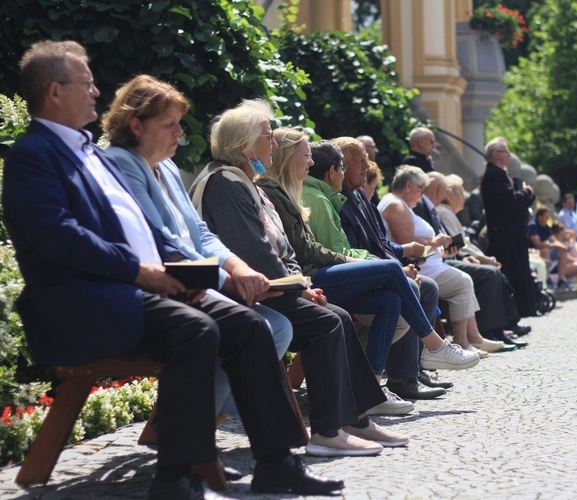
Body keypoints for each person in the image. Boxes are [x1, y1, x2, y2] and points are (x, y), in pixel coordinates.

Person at [3, 41, 341, 497]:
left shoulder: (91, 154)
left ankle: (277, 462)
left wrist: (182, 272)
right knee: (197, 330)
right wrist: (142, 272)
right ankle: (177, 479)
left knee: (249, 325)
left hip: (138, 289)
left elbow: (147, 229)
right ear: (55, 91)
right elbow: (59, 236)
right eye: (86, 83)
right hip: (83, 302)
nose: (96, 90)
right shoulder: (33, 155)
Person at [188, 99, 417, 457]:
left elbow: (284, 248)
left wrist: (302, 284)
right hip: (248, 292)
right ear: (245, 145)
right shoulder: (225, 184)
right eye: (267, 137)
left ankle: (356, 419)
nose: (273, 145)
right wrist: (300, 288)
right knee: (327, 322)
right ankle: (327, 431)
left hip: (275, 285)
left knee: (337, 316)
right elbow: (254, 252)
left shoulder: (248, 182)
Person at [102, 75, 294, 423]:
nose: (180, 133)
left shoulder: (169, 168)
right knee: (262, 328)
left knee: (278, 326)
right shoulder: (120, 163)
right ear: (136, 125)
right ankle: (198, 434)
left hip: (196, 279)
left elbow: (200, 234)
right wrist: (226, 279)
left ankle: (194, 429)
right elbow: (159, 239)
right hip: (162, 286)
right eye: (169, 124)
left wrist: (239, 268)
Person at [258, 129, 477, 406]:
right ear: (289, 158)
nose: (311, 163)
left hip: (311, 274)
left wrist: (372, 260)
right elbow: (309, 252)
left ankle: (373, 391)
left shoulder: (302, 192)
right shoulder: (303, 195)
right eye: (305, 156)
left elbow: (323, 248)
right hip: (307, 278)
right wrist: (362, 262)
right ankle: (433, 346)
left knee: (389, 299)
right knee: (393, 272)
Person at [334, 138, 454, 399]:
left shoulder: (359, 197)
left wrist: (402, 258)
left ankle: (411, 372)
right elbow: (350, 249)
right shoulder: (340, 200)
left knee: (426, 286)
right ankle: (403, 375)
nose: (367, 166)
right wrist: (397, 268)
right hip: (350, 276)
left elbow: (379, 244)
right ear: (339, 167)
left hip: (372, 268)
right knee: (407, 289)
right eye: (360, 161)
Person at [379, 166, 503, 355]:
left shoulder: (401, 204)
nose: (422, 194)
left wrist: (441, 249)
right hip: (420, 268)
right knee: (463, 282)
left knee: (464, 279)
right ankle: (463, 341)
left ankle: (472, 337)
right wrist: (436, 243)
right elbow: (407, 244)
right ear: (409, 186)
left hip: (430, 263)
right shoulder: (396, 205)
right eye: (421, 189)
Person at [417, 172, 526, 348]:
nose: (465, 198)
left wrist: (469, 255)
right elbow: (450, 243)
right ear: (445, 192)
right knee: (487, 274)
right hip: (436, 263)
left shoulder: (437, 210)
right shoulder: (439, 211)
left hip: (445, 259)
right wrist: (476, 257)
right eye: (461, 193)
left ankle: (500, 328)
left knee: (493, 274)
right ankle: (486, 331)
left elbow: (453, 244)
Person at [481, 137, 538, 317]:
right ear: (496, 154)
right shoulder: (492, 175)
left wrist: (524, 194)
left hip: (514, 233)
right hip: (505, 235)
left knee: (520, 271)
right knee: (512, 273)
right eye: (506, 151)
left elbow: (517, 200)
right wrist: (527, 191)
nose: (509, 155)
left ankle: (523, 310)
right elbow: (511, 200)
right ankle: (513, 315)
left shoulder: (501, 174)